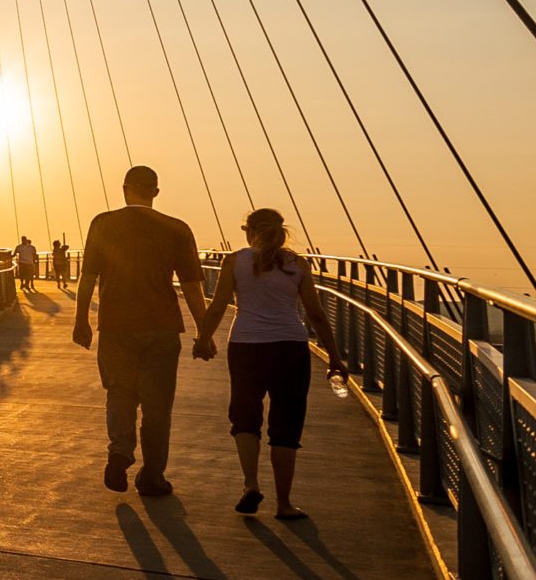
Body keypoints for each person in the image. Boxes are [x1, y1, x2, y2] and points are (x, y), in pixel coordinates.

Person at [198, 208, 348, 519]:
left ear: (249, 232)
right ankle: (284, 503)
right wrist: (334, 357)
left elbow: (217, 307)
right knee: (286, 424)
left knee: (245, 416)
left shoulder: (234, 261)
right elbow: (316, 314)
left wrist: (203, 339)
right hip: (290, 347)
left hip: (245, 346)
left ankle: (250, 484)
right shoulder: (297, 264)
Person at [73, 165, 210, 496]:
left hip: (116, 325)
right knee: (157, 406)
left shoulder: (103, 223)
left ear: (124, 188)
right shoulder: (177, 229)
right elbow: (192, 287)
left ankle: (120, 451)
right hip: (162, 327)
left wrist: (81, 321)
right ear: (156, 193)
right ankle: (152, 476)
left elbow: (87, 278)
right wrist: (204, 334)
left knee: (119, 391)